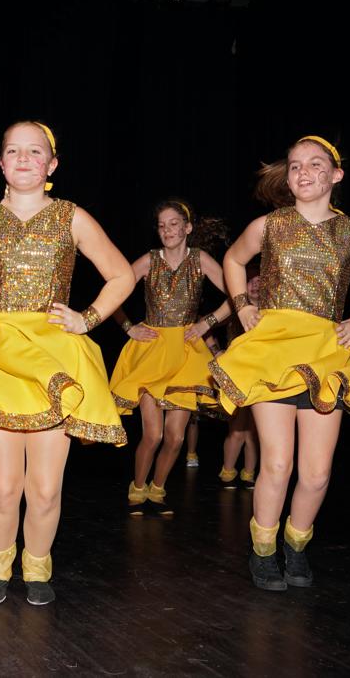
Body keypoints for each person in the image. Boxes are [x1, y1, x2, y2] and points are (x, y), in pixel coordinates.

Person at [0, 121, 133, 605]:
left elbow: (121, 275)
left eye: (34, 152)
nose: (23, 159)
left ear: (52, 165)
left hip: (52, 356)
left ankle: (36, 567)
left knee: (46, 488)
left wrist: (87, 318)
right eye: (13, 150)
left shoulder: (72, 217)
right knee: (2, 486)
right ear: (1, 162)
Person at [210, 136, 350, 591]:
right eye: (295, 166)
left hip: (323, 353)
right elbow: (234, 259)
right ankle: (263, 549)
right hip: (273, 350)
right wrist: (242, 306)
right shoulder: (270, 225)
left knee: (316, 473)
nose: (303, 172)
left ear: (336, 175)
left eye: (315, 164)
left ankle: (296, 545)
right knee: (277, 464)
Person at [109, 199, 232, 516]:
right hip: (153, 350)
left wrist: (207, 322)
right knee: (154, 434)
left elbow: (237, 294)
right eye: (162, 225)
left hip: (187, 352)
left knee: (176, 438)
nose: (167, 230)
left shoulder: (200, 259)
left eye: (174, 224)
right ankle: (138, 488)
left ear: (187, 228)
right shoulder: (149, 261)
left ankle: (158, 490)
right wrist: (128, 327)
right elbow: (113, 291)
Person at [218, 267, 261, 489]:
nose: (255, 285)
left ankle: (249, 474)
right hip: (238, 374)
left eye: (260, 281)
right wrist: (215, 351)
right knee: (237, 427)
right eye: (251, 280)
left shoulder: (273, 311)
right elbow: (204, 324)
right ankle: (228, 472)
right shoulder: (235, 308)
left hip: (263, 374)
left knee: (253, 431)